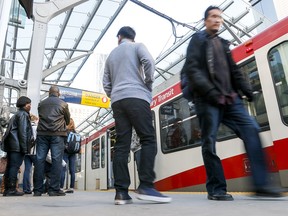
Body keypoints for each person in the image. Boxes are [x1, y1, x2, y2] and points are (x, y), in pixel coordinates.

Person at [181, 5, 283, 201]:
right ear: (205, 21)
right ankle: (216, 188)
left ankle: (261, 185)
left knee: (251, 131)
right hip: (208, 99)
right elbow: (193, 70)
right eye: (213, 17)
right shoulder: (197, 40)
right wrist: (210, 92)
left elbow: (234, 71)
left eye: (220, 17)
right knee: (209, 143)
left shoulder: (224, 43)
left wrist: (247, 90)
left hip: (230, 99)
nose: (217, 20)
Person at [103, 26, 171, 205]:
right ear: (133, 37)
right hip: (137, 97)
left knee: (121, 146)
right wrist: (147, 83)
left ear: (119, 37)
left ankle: (121, 193)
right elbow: (149, 61)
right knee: (148, 139)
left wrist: (115, 94)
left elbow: (106, 82)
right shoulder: (137, 46)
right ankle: (146, 185)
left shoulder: (111, 55)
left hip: (118, 102)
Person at [33, 85, 70, 196]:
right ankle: (53, 189)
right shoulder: (63, 104)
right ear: (58, 93)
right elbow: (67, 121)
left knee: (39, 160)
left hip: (42, 134)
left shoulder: (41, 104)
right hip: (57, 134)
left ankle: (38, 190)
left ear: (49, 93)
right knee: (56, 160)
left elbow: (41, 116)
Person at [2, 96, 33, 196]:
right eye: (29, 104)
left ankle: (7, 189)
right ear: (25, 104)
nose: (30, 106)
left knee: (10, 166)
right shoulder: (23, 114)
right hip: (17, 145)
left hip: (12, 145)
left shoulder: (16, 114)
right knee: (14, 167)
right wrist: (24, 148)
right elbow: (23, 132)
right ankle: (11, 189)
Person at [22, 114, 38, 194]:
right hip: (34, 152)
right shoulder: (36, 128)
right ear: (35, 120)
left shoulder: (25, 128)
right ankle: (36, 188)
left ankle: (26, 189)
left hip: (26, 152)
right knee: (37, 170)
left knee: (27, 170)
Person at [60, 118, 77, 193]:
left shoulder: (65, 132)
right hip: (73, 153)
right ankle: (72, 187)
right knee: (72, 170)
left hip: (65, 152)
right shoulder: (76, 132)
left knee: (63, 169)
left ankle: (61, 187)